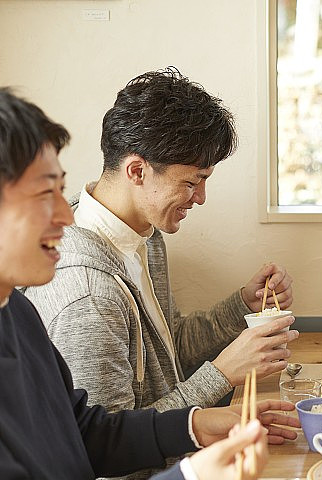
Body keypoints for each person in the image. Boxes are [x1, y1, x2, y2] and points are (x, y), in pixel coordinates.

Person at [0, 87, 301, 480]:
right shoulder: (85, 293)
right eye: (46, 194)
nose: (66, 214)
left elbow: (88, 430)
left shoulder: (16, 314)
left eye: (63, 192)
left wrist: (197, 425)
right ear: (137, 171)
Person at [24, 67, 296, 419]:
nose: (200, 198)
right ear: (137, 171)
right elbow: (111, 455)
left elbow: (169, 350)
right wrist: (223, 374)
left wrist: (243, 303)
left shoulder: (144, 233)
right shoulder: (89, 296)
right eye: (192, 182)